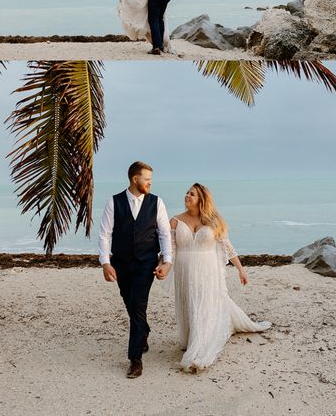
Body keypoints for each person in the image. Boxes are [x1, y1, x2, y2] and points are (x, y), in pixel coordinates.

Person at [168, 183, 271, 372]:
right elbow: (170, 251)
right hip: (184, 272)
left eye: (192, 194)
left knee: (203, 306)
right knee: (189, 304)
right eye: (187, 193)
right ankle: (192, 339)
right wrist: (163, 267)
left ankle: (199, 348)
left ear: (202, 200)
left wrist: (241, 270)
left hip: (207, 272)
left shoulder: (214, 222)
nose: (187, 196)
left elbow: (228, 248)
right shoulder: (175, 221)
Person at [98, 161, 172, 378]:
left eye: (150, 179)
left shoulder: (157, 203)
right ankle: (144, 331)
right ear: (134, 179)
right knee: (130, 302)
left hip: (146, 263)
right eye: (146, 178)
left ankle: (135, 359)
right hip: (121, 263)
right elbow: (105, 234)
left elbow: (165, 234)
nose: (150, 182)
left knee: (138, 304)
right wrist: (105, 262)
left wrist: (166, 261)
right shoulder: (114, 202)